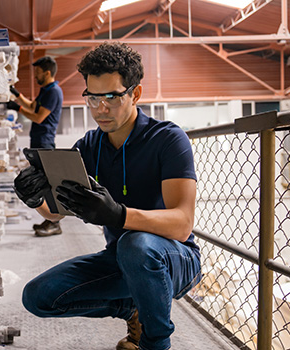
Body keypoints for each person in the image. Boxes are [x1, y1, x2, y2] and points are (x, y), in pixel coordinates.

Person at [13, 42, 201, 350]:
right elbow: (56, 212)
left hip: (173, 259)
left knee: (134, 244)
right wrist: (35, 198)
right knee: (38, 296)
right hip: (122, 259)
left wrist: (119, 215)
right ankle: (133, 308)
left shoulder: (168, 139)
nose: (101, 109)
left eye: (112, 97)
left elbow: (182, 223)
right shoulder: (88, 146)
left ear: (135, 94)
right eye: (93, 98)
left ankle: (155, 342)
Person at [7, 56, 64, 237]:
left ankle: (54, 222)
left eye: (38, 73)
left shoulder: (54, 91)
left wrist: (18, 110)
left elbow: (38, 117)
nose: (35, 77)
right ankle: (51, 220)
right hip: (39, 141)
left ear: (47, 73)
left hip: (45, 142)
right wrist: (16, 95)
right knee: (42, 182)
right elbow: (33, 106)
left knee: (45, 184)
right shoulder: (46, 90)